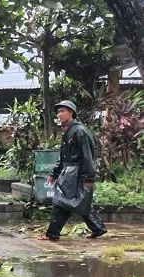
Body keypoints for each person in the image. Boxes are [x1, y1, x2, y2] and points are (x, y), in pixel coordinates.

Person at [38, 100, 107, 241]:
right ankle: (98, 228)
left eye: (62, 111)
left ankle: (52, 233)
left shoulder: (80, 131)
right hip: (69, 172)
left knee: (61, 201)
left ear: (71, 112)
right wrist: (54, 173)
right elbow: (63, 157)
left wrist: (88, 177)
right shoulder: (68, 131)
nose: (59, 114)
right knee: (79, 202)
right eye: (58, 112)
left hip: (76, 173)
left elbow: (87, 156)